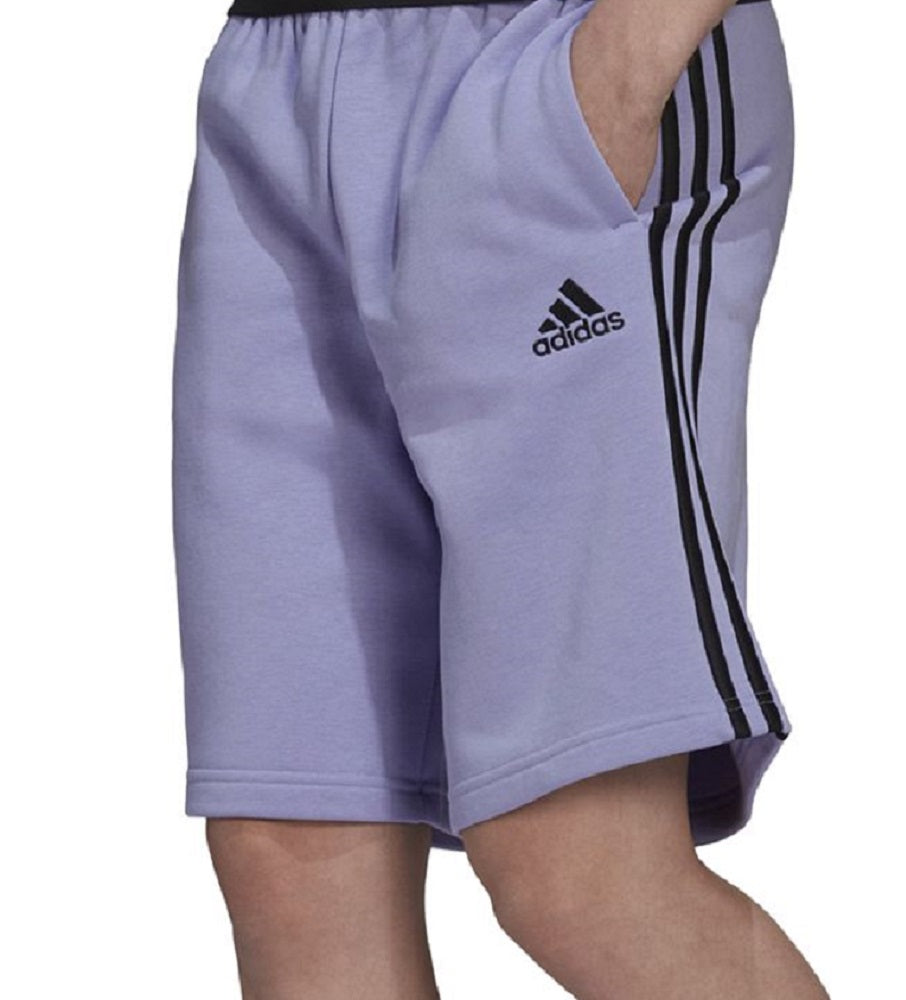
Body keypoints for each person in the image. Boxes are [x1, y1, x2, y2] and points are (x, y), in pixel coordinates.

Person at [172, 0, 829, 995]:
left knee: (578, 859)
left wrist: (617, 71)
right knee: (295, 844)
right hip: (279, 72)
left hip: (546, 49)